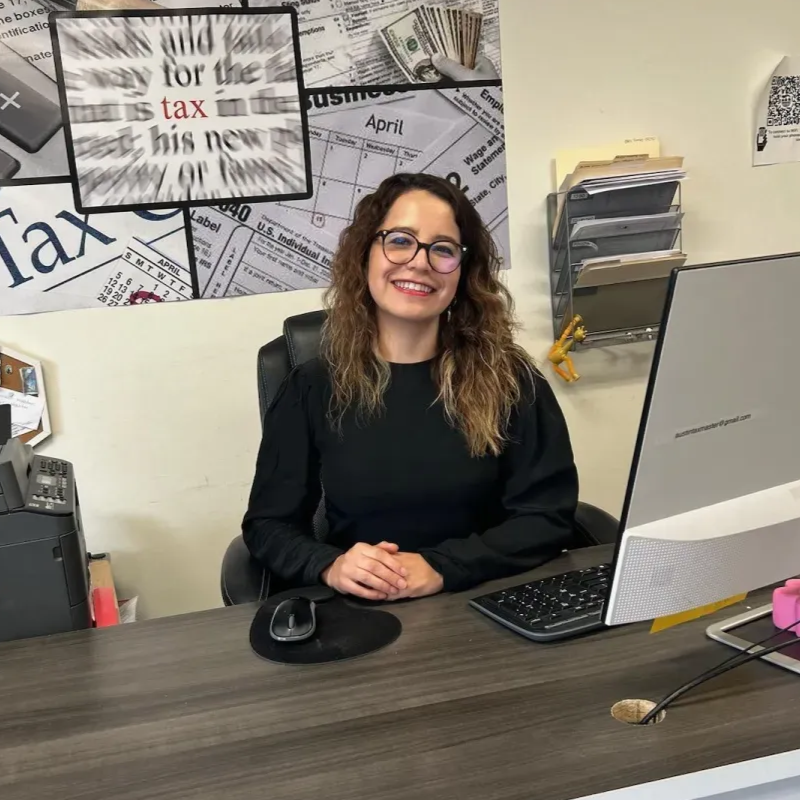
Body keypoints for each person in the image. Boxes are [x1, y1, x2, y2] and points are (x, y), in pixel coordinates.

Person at [242, 173, 579, 602]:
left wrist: (443, 566)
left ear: (463, 271)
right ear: (365, 255)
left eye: (443, 249)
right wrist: (330, 564)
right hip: (365, 612)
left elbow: (547, 517)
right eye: (400, 240)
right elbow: (267, 526)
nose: (420, 262)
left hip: (491, 603)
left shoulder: (510, 381)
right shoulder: (311, 388)